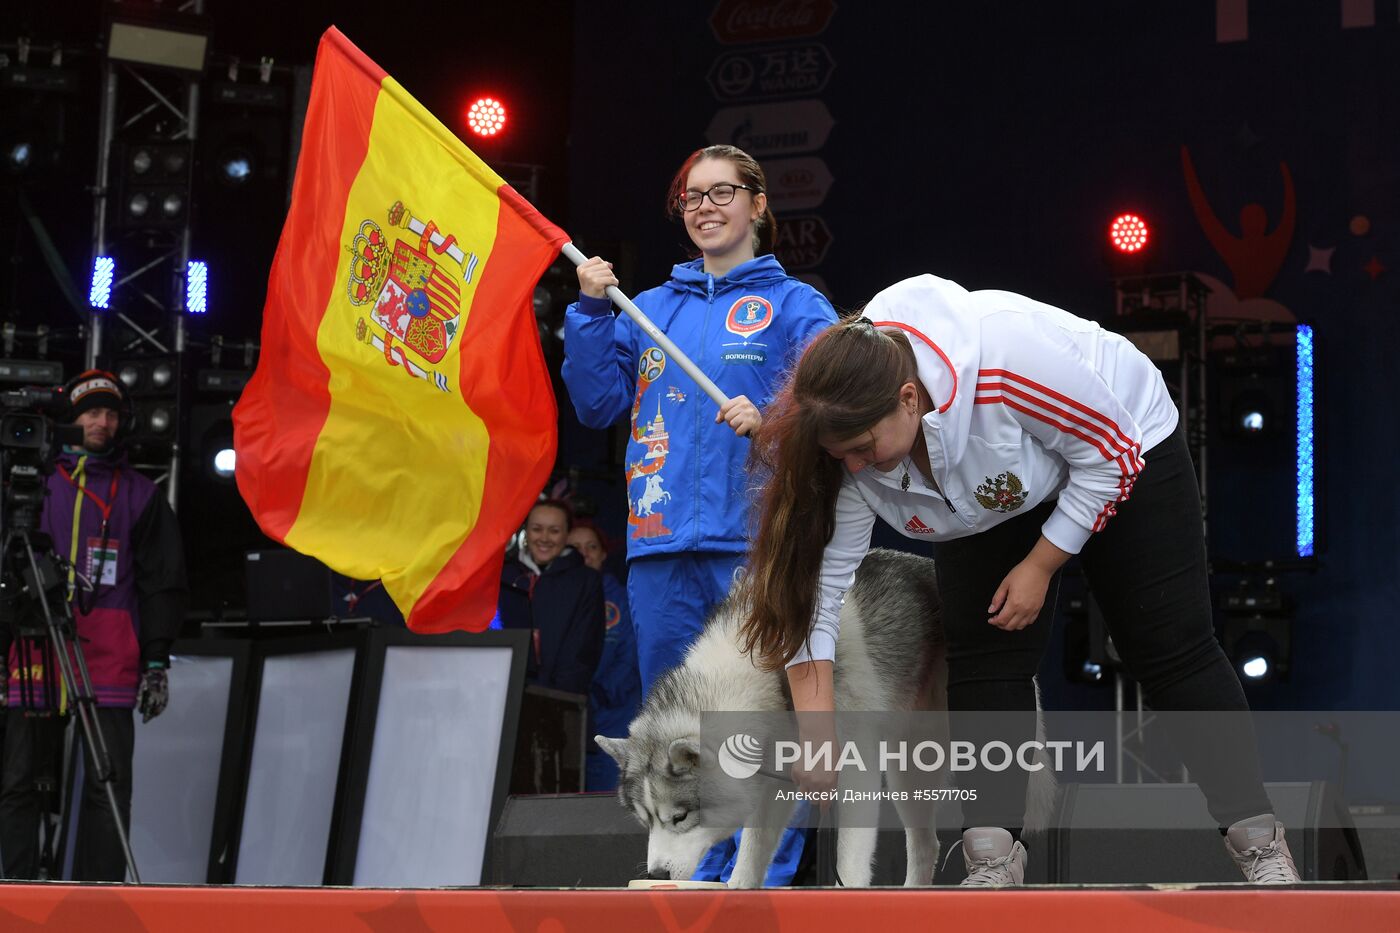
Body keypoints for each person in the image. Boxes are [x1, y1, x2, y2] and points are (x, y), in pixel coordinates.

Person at [739, 275, 1301, 886]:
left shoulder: (1006, 363)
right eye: (839, 455)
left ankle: (1257, 838)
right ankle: (992, 855)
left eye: (863, 448)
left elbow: (1110, 454)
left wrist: (1040, 564)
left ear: (908, 398)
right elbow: (815, 592)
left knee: (1169, 647)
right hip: (987, 495)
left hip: (1119, 441)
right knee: (982, 655)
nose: (853, 465)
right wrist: (818, 731)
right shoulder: (844, 447)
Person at [563, 144, 836, 885]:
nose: (706, 206)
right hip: (658, 545)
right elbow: (596, 404)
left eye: (723, 192)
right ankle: (691, 866)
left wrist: (777, 417)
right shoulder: (645, 310)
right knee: (677, 728)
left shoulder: (795, 306)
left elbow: (838, 407)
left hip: (751, 541)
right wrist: (590, 309)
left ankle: (762, 876)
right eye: (692, 196)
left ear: (758, 204)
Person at [0, 369, 187, 881]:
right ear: (69, 420)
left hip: (108, 657)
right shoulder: (31, 486)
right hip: (36, 652)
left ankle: (100, 901)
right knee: (16, 782)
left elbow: (161, 584)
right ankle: (12, 894)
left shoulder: (142, 496)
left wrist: (155, 661)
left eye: (109, 413)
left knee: (108, 787)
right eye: (90, 412)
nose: (100, 422)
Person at [497, 500, 604, 696]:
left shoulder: (586, 581)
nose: (544, 538)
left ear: (567, 535)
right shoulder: (504, 576)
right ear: (526, 532)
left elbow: (584, 646)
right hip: (505, 690)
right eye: (537, 529)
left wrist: (560, 695)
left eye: (554, 531)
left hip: (560, 696)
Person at [566, 523, 641, 792]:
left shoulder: (620, 599)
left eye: (592, 547)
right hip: (568, 718)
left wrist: (596, 694)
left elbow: (629, 658)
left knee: (603, 801)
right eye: (575, 548)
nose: (584, 554)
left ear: (603, 554)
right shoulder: (556, 595)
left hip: (611, 715)